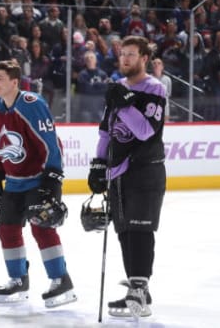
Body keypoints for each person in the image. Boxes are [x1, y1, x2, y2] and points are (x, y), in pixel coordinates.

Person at [0, 60, 77, 308]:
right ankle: (18, 279)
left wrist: (52, 179)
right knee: (7, 229)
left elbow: (49, 143)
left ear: (15, 82)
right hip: (14, 181)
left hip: (38, 178)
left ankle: (60, 280)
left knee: (42, 227)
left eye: (1, 77)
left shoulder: (31, 104)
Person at [87, 35, 167, 318]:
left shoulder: (154, 89)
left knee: (140, 229)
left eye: (131, 54)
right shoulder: (117, 88)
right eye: (123, 54)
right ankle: (137, 288)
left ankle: (139, 289)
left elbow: (145, 131)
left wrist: (125, 104)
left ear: (145, 58)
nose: (125, 59)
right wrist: (98, 163)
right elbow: (106, 131)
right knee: (124, 231)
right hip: (118, 171)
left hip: (146, 169)